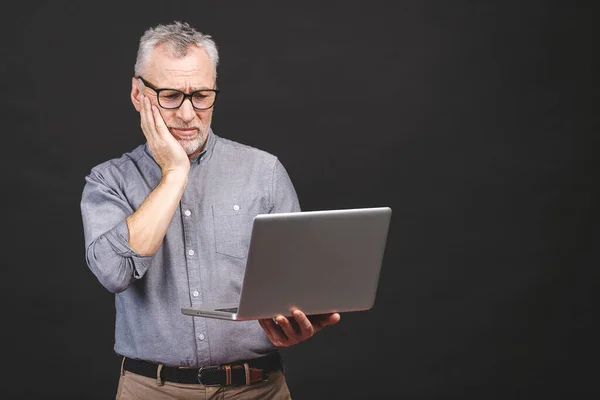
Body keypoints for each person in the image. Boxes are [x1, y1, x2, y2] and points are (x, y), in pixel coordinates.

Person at [80, 21, 340, 399]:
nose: (188, 115)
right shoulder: (108, 181)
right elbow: (113, 272)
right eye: (170, 96)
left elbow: (296, 287)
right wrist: (173, 175)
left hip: (258, 390)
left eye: (201, 95)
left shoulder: (264, 172)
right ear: (138, 94)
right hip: (152, 390)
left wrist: (303, 320)